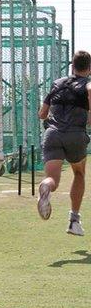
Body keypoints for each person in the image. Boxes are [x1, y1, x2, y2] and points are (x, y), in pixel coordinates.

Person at [37, 50, 91, 236]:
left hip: (52, 134)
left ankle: (46, 186)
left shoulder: (57, 83)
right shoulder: (88, 85)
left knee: (54, 179)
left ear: (72, 66)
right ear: (89, 68)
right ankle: (74, 220)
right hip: (75, 135)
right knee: (79, 172)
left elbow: (42, 114)